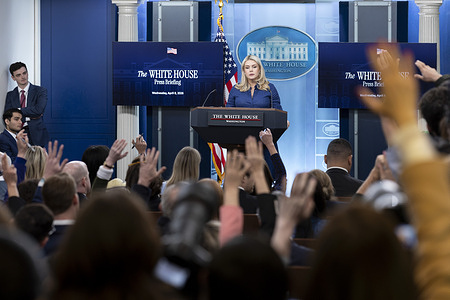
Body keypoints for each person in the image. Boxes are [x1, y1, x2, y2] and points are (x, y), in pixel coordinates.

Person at [5, 62, 49, 147]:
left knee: (38, 160)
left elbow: (39, 110)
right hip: (18, 134)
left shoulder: (40, 91)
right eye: (18, 75)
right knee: (21, 159)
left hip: (38, 134)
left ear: (27, 73)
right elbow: (7, 116)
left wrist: (18, 110)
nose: (23, 77)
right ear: (13, 78)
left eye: (24, 73)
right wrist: (31, 115)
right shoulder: (10, 95)